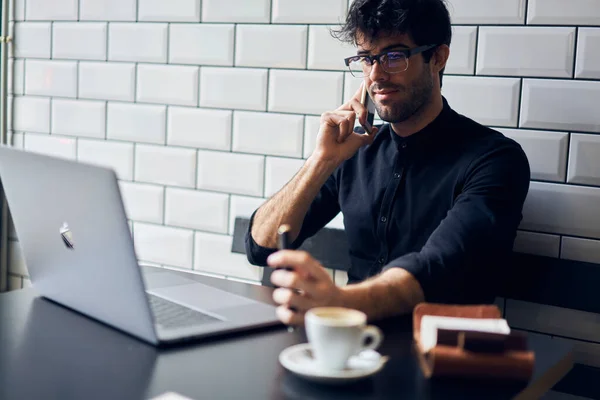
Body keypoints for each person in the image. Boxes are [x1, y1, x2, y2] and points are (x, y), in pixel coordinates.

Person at [245, 0, 530, 326]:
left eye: (394, 56)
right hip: (347, 347)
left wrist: (337, 302)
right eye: (367, 59)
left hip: (440, 359)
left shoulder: (494, 160)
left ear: (437, 57)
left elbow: (438, 267)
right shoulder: (353, 151)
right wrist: (322, 160)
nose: (376, 75)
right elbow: (261, 249)